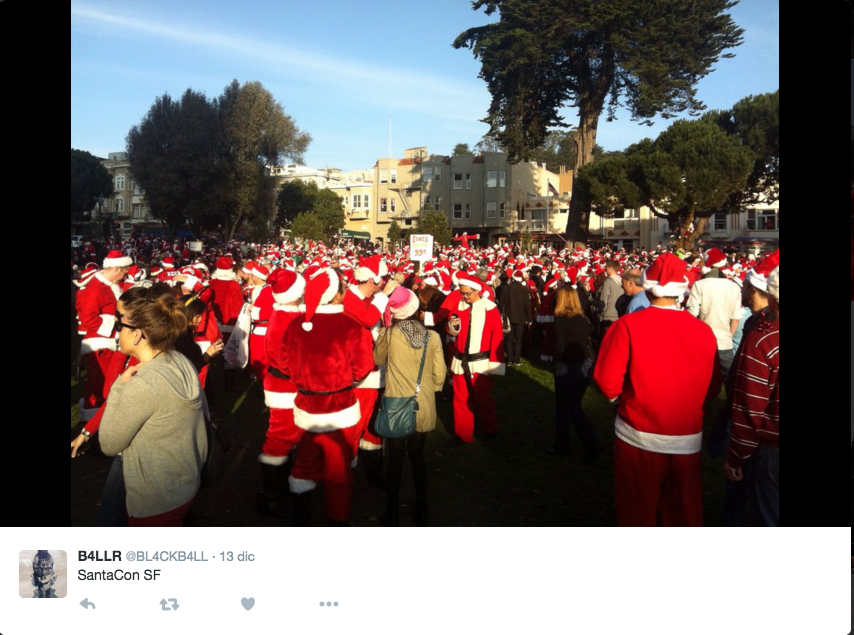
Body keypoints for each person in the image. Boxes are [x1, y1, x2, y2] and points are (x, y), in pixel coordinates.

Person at [593, 253, 721, 526]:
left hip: (638, 434)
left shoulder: (627, 325)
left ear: (646, 284)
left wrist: (622, 401)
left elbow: (606, 380)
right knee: (683, 510)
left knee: (637, 509)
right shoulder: (703, 330)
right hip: (685, 433)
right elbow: (713, 386)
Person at [98, 287, 208, 527]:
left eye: (121, 327)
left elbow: (108, 443)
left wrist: (118, 388)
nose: (118, 333)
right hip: (185, 483)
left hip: (154, 500)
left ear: (137, 335)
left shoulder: (145, 382)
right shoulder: (180, 361)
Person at [280, 268, 375, 526]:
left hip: (306, 405)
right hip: (339, 407)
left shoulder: (295, 325)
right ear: (335, 296)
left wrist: (305, 378)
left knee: (305, 462)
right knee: (338, 469)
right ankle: (337, 520)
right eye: (343, 288)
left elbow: (285, 364)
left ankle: (301, 514)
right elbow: (364, 367)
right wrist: (346, 379)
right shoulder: (351, 326)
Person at [373, 287, 446, 526]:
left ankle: (392, 511)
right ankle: (422, 509)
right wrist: (430, 388)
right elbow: (440, 373)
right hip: (422, 402)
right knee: (417, 458)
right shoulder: (432, 336)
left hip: (396, 403)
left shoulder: (390, 333)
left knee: (395, 459)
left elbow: (377, 359)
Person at [724, 266, 779, 527]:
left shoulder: (763, 340)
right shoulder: (760, 333)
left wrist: (737, 455)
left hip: (773, 448)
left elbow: (750, 408)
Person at [447, 272, 505, 444]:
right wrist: (451, 328)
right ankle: (463, 434)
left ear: (477, 291)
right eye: (462, 293)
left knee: (483, 398)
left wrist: (495, 364)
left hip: (481, 361)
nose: (465, 297)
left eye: (467, 293)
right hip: (460, 359)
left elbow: (497, 337)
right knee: (460, 399)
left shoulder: (491, 309)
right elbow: (451, 329)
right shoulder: (459, 306)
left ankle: (490, 429)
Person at [550, 285, 601, 461]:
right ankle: (590, 444)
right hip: (584, 364)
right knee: (574, 406)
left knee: (564, 408)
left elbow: (559, 346)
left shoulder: (561, 319)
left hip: (567, 365)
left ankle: (565, 445)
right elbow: (593, 332)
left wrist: (556, 363)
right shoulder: (583, 318)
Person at [499, 265, 532, 366]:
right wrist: (529, 317)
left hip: (508, 316)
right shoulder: (524, 289)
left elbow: (501, 303)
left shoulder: (506, 288)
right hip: (521, 317)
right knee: (518, 340)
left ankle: (509, 360)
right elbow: (528, 304)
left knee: (509, 339)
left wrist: (502, 313)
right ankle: (516, 360)